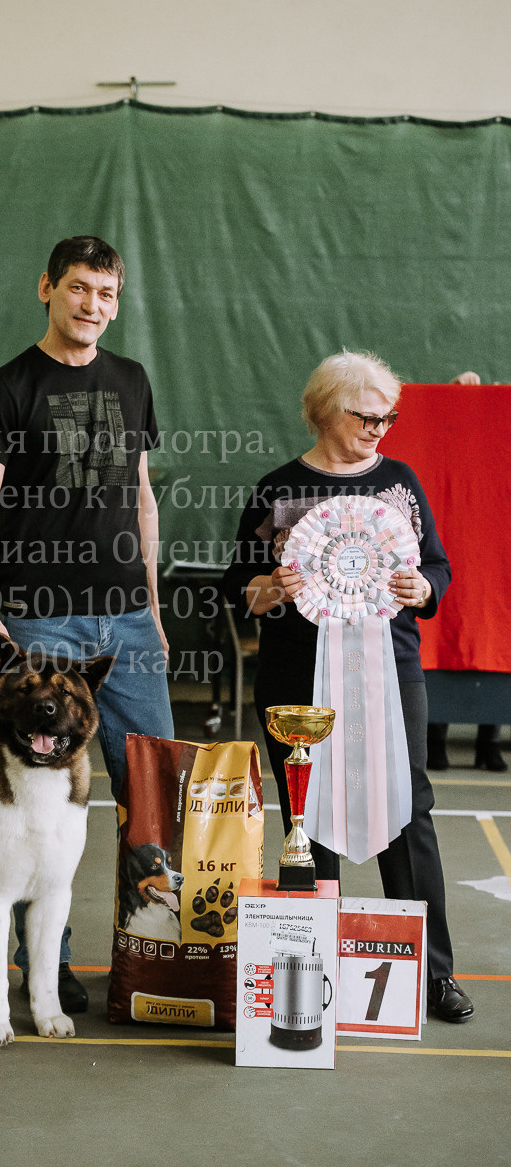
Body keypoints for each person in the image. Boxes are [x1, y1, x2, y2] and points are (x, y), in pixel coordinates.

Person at [222, 349, 474, 1023]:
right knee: (306, 815)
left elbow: (436, 568)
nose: (380, 428)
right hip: (293, 676)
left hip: (389, 671)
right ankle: (316, 968)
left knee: (407, 809)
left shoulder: (400, 481)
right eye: (368, 415)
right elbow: (235, 583)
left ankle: (430, 974)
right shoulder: (275, 487)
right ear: (327, 411)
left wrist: (424, 589)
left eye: (389, 416)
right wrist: (267, 588)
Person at [0, 235, 174, 1011]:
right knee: (37, 805)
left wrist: (150, 604)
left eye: (107, 294)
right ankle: (47, 967)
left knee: (152, 797)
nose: (93, 306)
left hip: (128, 625)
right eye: (79, 289)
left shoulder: (133, 379)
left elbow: (142, 495)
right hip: (38, 627)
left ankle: (151, 955)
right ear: (46, 287)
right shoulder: (6, 386)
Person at [426, 371, 508, 773]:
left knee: (495, 632)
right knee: (442, 629)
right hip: (454, 543)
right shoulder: (441, 462)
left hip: (495, 555)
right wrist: (457, 398)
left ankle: (488, 743)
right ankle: (435, 738)